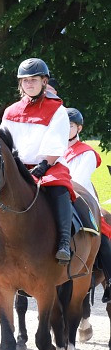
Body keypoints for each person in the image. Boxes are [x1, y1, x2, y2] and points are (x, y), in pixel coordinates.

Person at [0, 58, 74, 264]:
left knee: (59, 189)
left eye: (34, 79)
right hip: (17, 167)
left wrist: (43, 166)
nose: (29, 84)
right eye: (25, 81)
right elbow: (6, 142)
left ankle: (64, 243)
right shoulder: (10, 111)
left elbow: (57, 141)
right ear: (20, 84)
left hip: (48, 165)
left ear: (44, 81)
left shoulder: (57, 109)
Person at [61, 108, 111, 298]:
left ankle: (110, 278)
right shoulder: (54, 150)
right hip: (57, 195)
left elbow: (78, 181)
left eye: (70, 126)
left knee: (102, 233)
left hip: (81, 199)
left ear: (79, 128)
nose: (66, 129)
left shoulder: (87, 153)